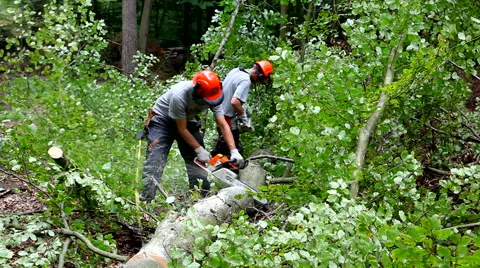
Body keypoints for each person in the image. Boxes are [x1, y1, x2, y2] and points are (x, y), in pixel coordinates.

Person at [140, 70, 244, 202]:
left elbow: (223, 124)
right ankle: (147, 198)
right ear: (197, 91)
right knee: (156, 157)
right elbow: (181, 129)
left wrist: (233, 150)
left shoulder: (215, 93)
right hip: (163, 119)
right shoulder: (179, 95)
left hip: (186, 118)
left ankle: (200, 197)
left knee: (198, 161)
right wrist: (199, 149)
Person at [211, 60, 274, 157]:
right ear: (259, 75)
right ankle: (225, 169)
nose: (257, 82)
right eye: (259, 80)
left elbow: (225, 88)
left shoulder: (236, 71)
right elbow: (235, 101)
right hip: (226, 118)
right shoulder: (246, 80)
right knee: (234, 151)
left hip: (219, 113)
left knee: (223, 147)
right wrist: (243, 115)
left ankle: (214, 164)